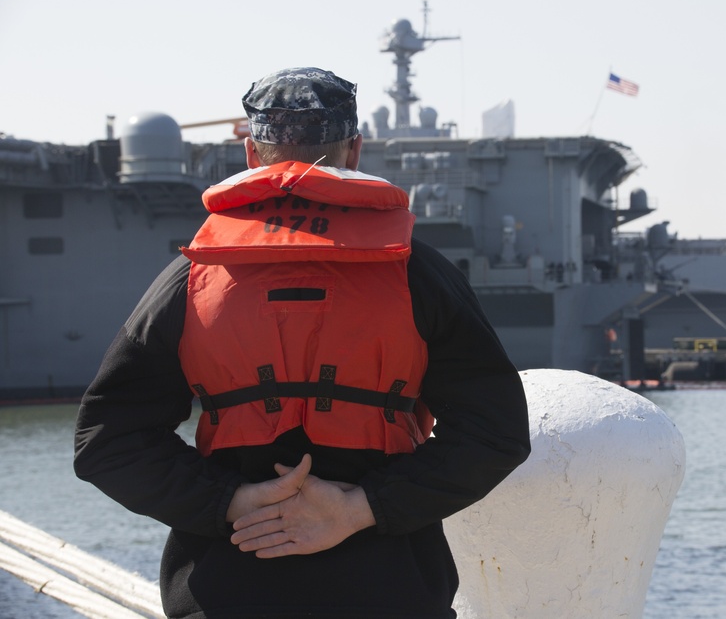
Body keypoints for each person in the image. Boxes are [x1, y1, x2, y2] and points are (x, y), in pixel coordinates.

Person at [74, 67, 531, 619]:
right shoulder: (419, 273)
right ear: (355, 151)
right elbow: (497, 433)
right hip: (391, 595)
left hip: (223, 595)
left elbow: (106, 440)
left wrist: (231, 502)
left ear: (250, 154)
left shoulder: (189, 278)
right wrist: (360, 508)